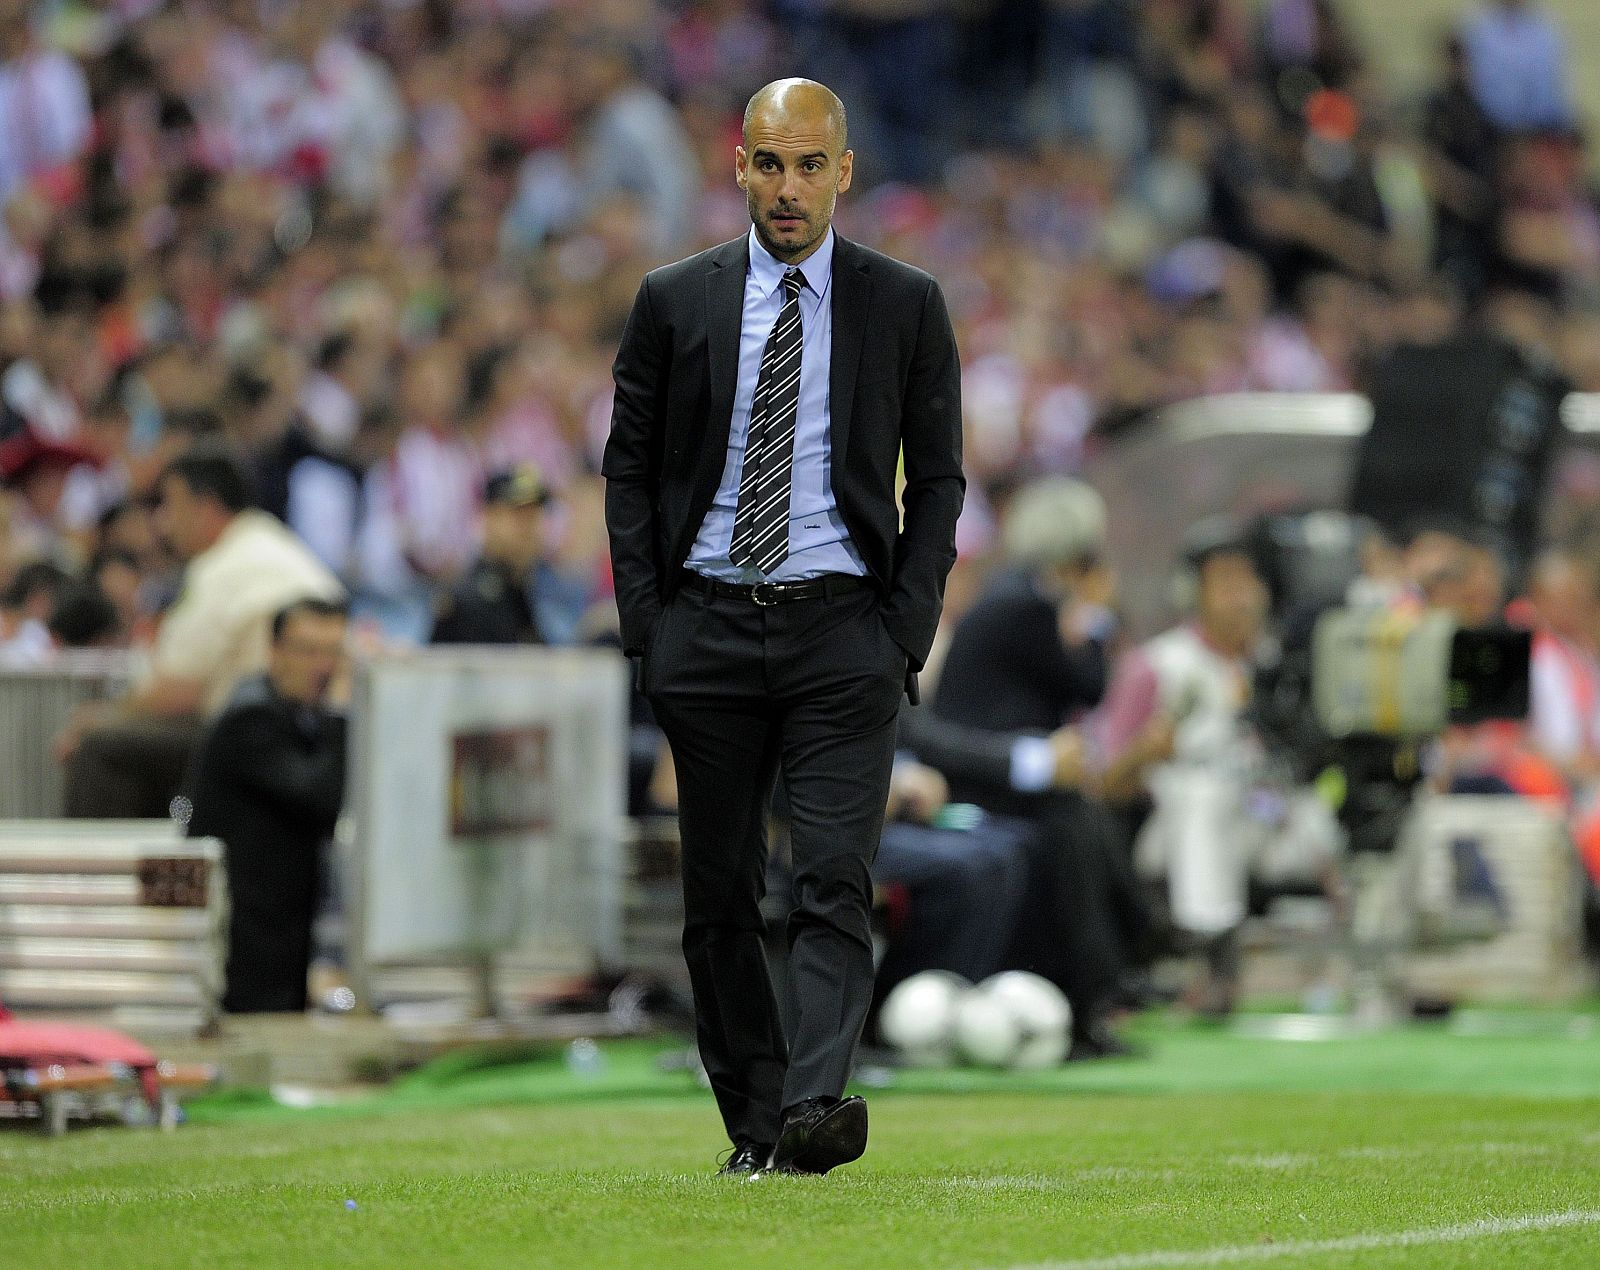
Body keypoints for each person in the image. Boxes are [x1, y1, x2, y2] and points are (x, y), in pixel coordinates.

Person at [603, 78, 963, 1177]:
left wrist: (901, 629)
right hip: (704, 627)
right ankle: (753, 1124)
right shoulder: (674, 299)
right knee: (717, 897)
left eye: (809, 165)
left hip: (841, 633)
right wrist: (650, 632)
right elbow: (627, 469)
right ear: (741, 167)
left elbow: (938, 482)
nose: (789, 186)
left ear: (845, 171)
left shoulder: (904, 302)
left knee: (832, 882)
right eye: (770, 163)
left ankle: (813, 1103)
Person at [58, 441, 343, 817]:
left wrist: (102, 717)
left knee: (101, 746)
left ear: (205, 507)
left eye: (171, 506)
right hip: (303, 730)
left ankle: (101, 871)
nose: (162, 522)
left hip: (261, 733)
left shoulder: (225, 566)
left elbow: (178, 691)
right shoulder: (275, 546)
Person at [185, 597, 349, 1013]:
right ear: (274, 651)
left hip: (283, 935)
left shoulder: (296, 716)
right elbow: (322, 794)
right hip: (245, 944)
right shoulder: (252, 718)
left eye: (333, 652)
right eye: (309, 651)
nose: (324, 667)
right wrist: (342, 710)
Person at [430, 464, 552, 646]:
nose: (530, 529)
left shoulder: (524, 589)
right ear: (488, 518)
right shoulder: (470, 602)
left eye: (535, 516)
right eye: (519, 516)